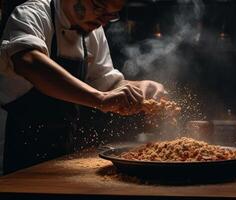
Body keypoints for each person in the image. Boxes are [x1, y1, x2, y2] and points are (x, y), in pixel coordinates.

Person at [0, 0, 165, 175]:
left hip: (61, 158)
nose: (103, 20)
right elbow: (29, 62)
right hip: (16, 156)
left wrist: (142, 87)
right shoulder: (31, 14)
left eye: (111, 15)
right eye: (99, 7)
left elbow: (108, 84)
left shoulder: (94, 33)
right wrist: (99, 99)